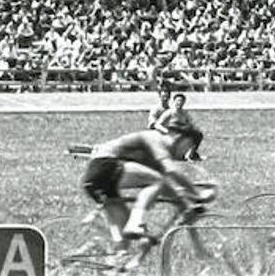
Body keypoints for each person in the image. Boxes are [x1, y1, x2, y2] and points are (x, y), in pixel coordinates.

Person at [81, 127, 213, 245]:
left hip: (101, 181)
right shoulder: (155, 138)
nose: (188, 152)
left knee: (124, 242)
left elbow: (171, 190)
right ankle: (135, 222)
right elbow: (170, 172)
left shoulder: (155, 158)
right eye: (190, 146)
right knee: (157, 181)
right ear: (179, 138)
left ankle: (100, 260)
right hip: (105, 165)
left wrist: (188, 202)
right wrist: (197, 193)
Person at [154, 92, 203, 161]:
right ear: (174, 101)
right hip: (172, 131)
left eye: (182, 101)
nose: (180, 103)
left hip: (183, 131)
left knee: (198, 135)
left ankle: (189, 154)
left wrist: (191, 127)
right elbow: (157, 124)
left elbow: (190, 123)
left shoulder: (184, 113)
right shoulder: (169, 113)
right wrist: (166, 131)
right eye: (178, 101)